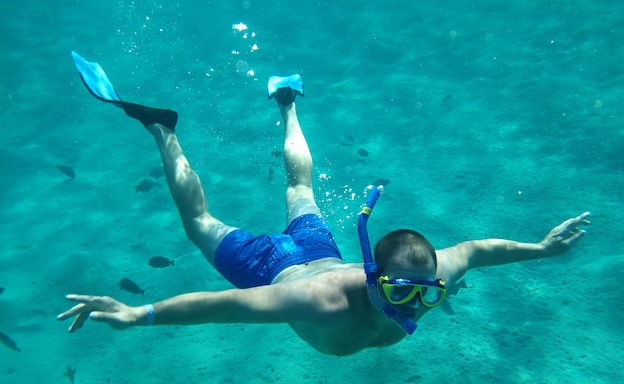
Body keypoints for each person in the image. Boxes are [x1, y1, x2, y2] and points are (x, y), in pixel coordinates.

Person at [58, 54, 591, 355]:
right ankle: (160, 127)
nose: (413, 307)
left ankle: (286, 98)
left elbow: (476, 249)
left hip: (319, 248)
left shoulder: (430, 278)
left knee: (301, 191)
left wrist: (542, 250)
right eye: (404, 292)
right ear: (375, 275)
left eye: (426, 296)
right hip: (270, 266)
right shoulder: (318, 303)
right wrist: (139, 313)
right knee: (199, 223)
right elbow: (218, 306)